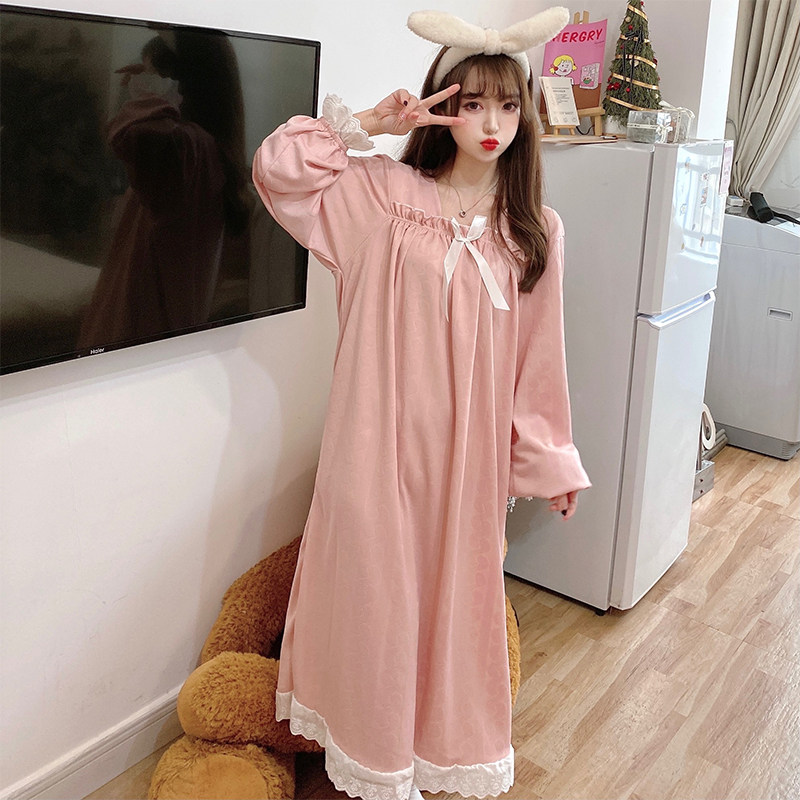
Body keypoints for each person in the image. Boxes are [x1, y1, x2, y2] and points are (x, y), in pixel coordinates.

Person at [252, 8, 590, 800]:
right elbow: (278, 170)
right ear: (442, 106)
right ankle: (369, 763)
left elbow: (540, 359)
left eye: (507, 105)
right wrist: (371, 123)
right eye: (472, 104)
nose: (492, 124)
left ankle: (423, 759)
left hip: (465, 473)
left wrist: (549, 459)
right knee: (374, 606)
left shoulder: (534, 230)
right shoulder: (380, 196)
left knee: (451, 612)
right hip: (373, 456)